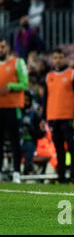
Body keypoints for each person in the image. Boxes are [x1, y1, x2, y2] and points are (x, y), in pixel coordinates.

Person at [43, 48, 74, 183]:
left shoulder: (73, 74)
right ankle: (61, 177)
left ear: (65, 58)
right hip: (53, 117)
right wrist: (43, 117)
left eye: (60, 57)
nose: (58, 60)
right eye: (55, 57)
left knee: (72, 148)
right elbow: (45, 98)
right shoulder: (48, 76)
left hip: (69, 117)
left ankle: (73, 175)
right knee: (59, 148)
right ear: (52, 59)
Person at [0, 38, 28, 183]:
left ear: (8, 48)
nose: (1, 49)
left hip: (13, 108)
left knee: (15, 141)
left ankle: (17, 172)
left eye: (3, 46)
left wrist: (10, 86)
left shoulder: (18, 62)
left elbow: (25, 84)